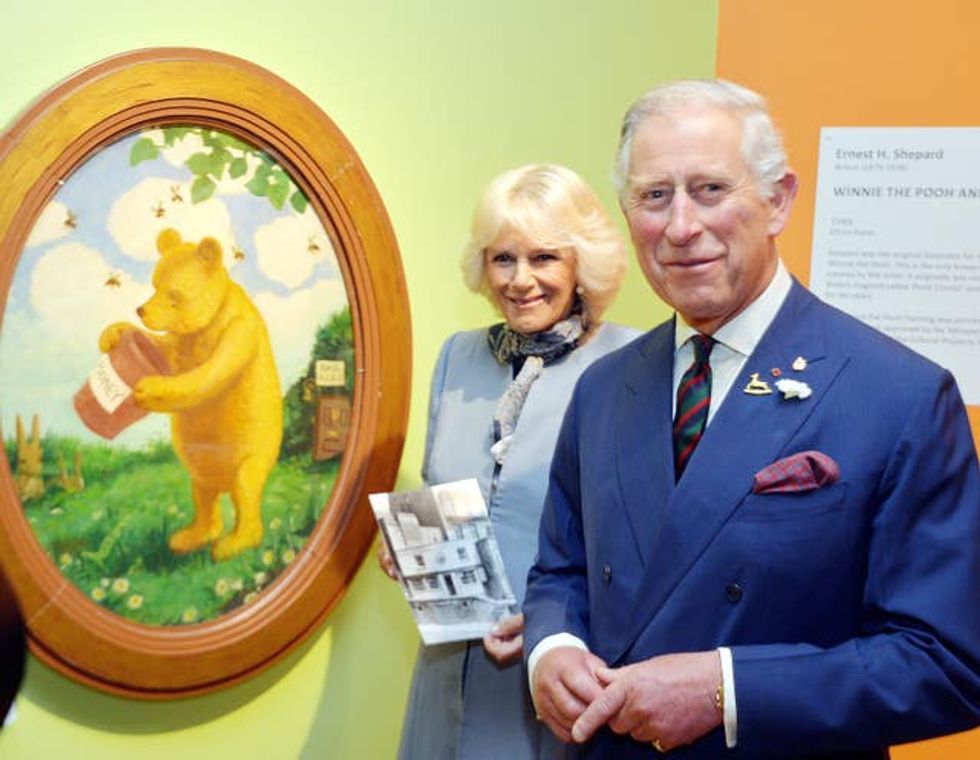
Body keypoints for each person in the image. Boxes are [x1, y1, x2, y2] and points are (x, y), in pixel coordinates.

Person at [523, 80, 980, 759]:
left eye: (710, 189)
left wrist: (727, 690)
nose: (681, 226)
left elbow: (946, 662)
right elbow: (561, 570)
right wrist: (551, 650)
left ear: (777, 200)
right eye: (655, 196)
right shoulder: (603, 388)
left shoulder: (900, 397)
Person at [382, 163, 640, 759]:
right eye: (503, 258)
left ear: (583, 264)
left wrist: (559, 629)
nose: (521, 280)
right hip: (446, 669)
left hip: (557, 674)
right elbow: (438, 490)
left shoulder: (631, 365)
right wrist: (409, 544)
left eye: (544, 258)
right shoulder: (458, 356)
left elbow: (646, 545)